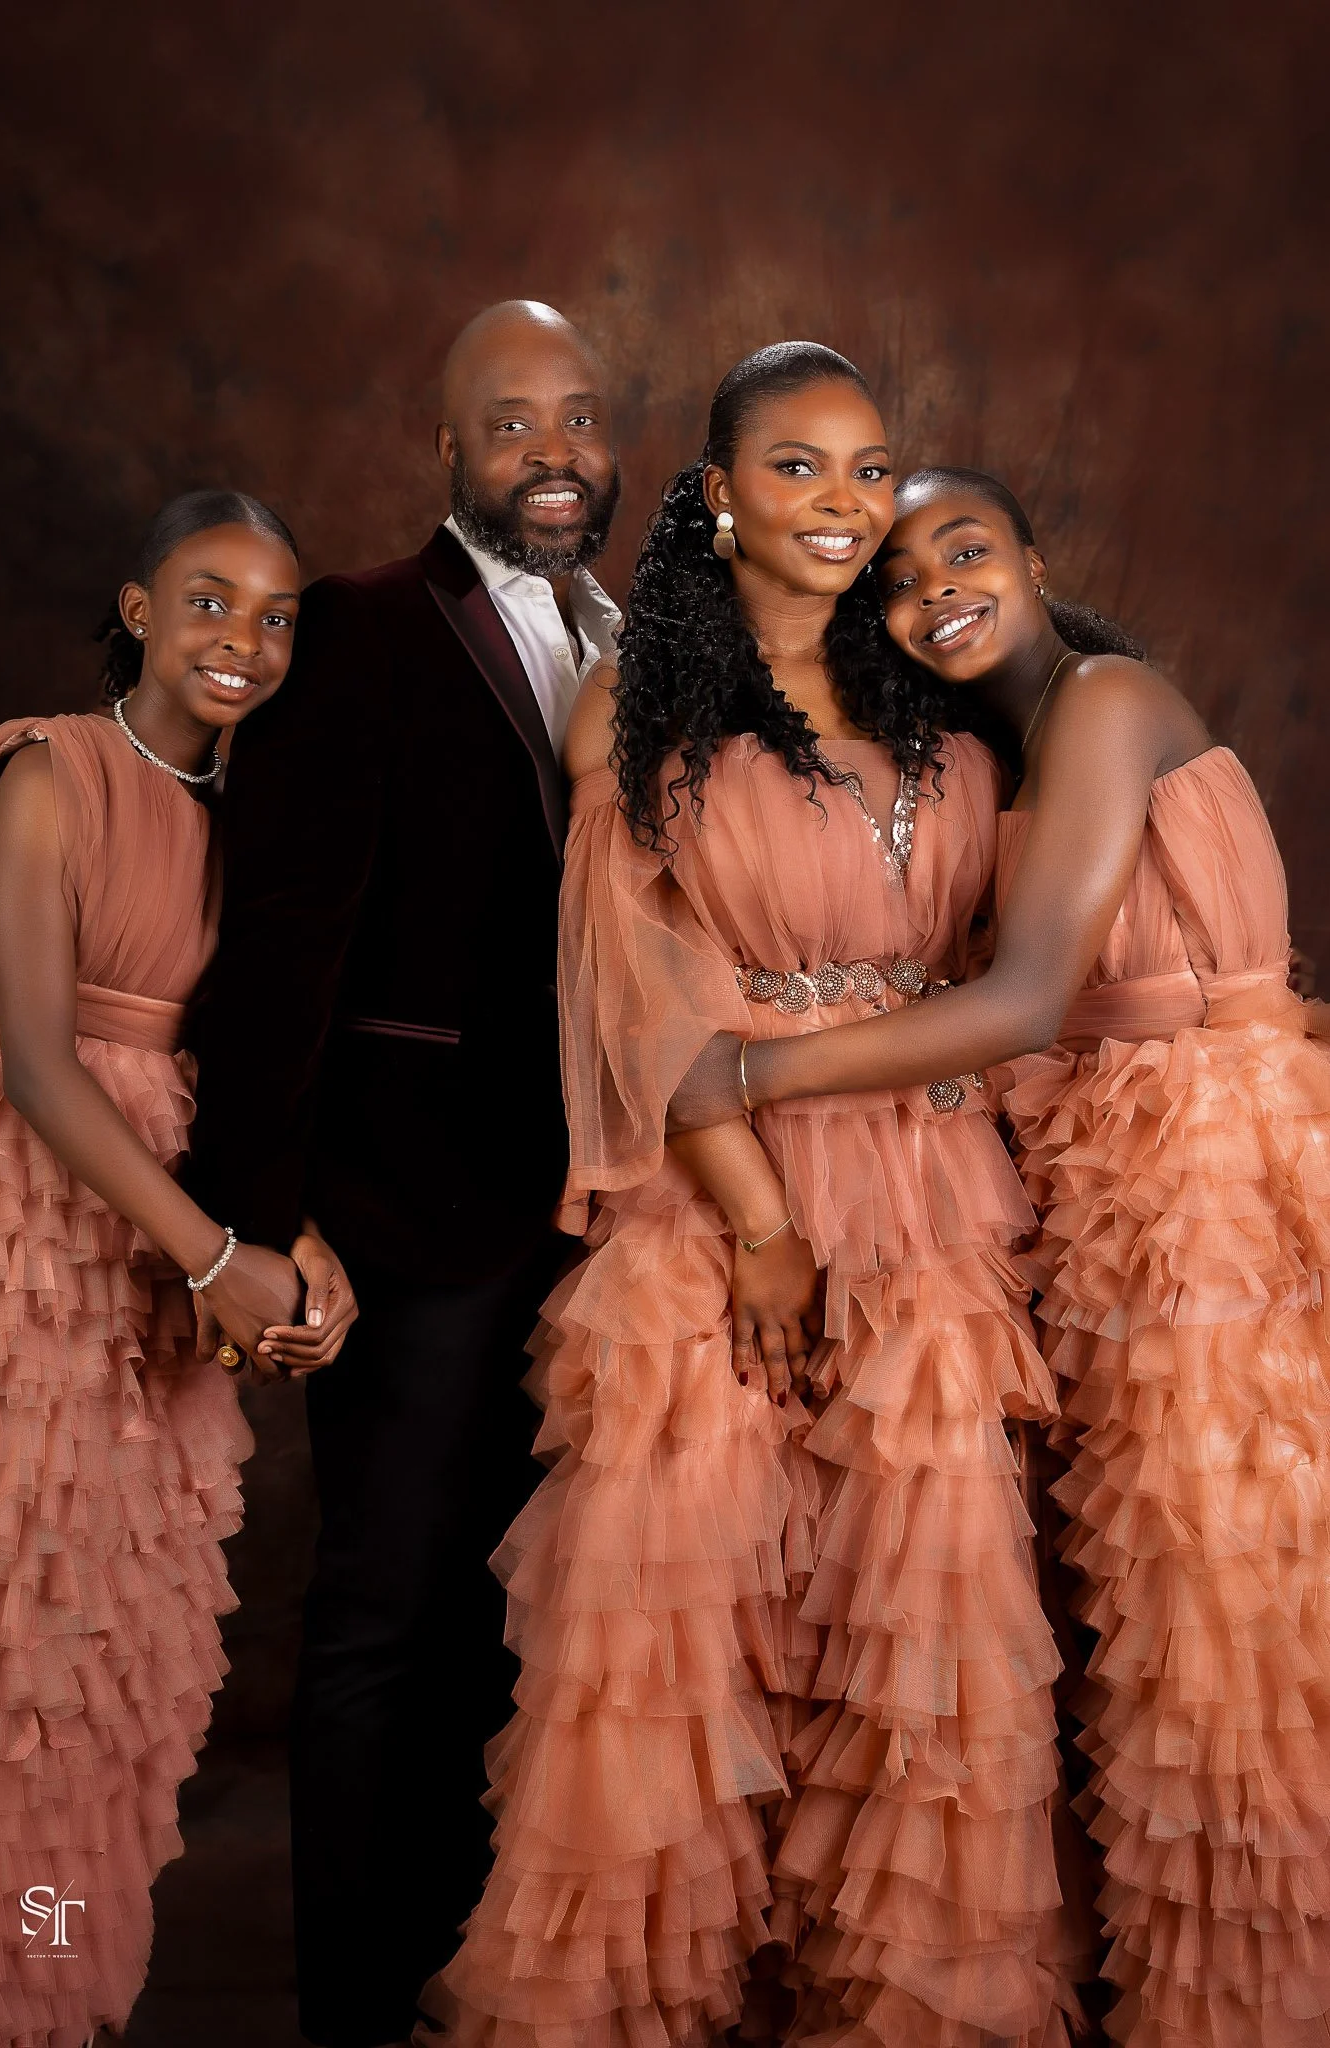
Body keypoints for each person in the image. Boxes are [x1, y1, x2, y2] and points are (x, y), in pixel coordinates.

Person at [434, 350, 1077, 2047]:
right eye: (801, 470)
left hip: (935, 1199)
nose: (849, 507)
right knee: (681, 1621)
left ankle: (890, 2004)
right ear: (718, 492)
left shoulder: (940, 701)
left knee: (915, 1606)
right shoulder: (638, 704)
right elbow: (639, 997)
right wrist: (769, 1235)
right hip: (725, 1199)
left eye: (873, 473)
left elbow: (1018, 958)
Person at [670, 465, 1330, 2044]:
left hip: (1210, 1172)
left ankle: (1250, 2005)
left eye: (966, 548)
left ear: (1033, 557)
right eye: (897, 576)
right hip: (1119, 1159)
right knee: (1139, 1594)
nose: (935, 587)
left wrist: (742, 1077)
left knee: (1216, 1590)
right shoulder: (998, 757)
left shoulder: (1103, 701)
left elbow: (1030, 996)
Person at [183, 301, 622, 2048]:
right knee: (384, 1613)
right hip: (406, 1207)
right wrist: (259, 1213)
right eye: (513, 424)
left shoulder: (641, 634)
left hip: (600, 1218)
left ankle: (474, 1990)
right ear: (450, 450)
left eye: (580, 417)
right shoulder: (362, 630)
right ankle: (353, 2014)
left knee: (523, 1624)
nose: (554, 452)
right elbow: (285, 938)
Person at [0, 490, 354, 2048]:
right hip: (30, 1238)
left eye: (273, 620)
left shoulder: (260, 815)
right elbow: (43, 1071)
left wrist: (284, 1241)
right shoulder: (45, 771)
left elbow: (259, 1063)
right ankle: (0, 1996)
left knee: (111, 1657)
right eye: (208, 602)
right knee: (18, 1645)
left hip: (178, 1238)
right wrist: (215, 1257)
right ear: (136, 607)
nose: (241, 643)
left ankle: (51, 1986)